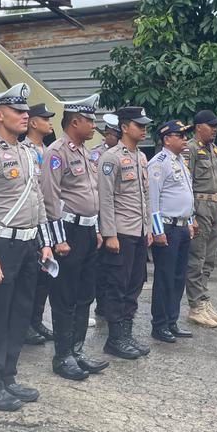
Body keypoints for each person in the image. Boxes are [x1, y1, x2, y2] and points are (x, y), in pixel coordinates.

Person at [0, 83, 54, 411]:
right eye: (18, 111)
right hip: (1, 245)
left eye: (26, 111)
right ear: (0, 115)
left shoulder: (28, 153)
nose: (25, 116)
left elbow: (38, 200)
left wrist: (45, 242)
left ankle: (8, 376)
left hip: (29, 244)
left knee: (20, 313)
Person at [40, 94, 109, 379]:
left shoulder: (84, 152)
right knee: (65, 296)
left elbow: (92, 195)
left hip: (88, 230)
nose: (94, 125)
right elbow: (50, 198)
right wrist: (58, 239)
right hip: (67, 232)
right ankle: (63, 356)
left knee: (84, 294)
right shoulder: (56, 152)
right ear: (75, 122)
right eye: (89, 120)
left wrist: (97, 230)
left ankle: (77, 351)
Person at [97, 107, 153, 358]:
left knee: (134, 284)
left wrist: (148, 228)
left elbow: (146, 196)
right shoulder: (111, 158)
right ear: (124, 127)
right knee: (117, 286)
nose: (144, 129)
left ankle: (127, 335)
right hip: (121, 232)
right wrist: (109, 234)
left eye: (144, 125)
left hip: (139, 231)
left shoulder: (141, 157)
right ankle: (115, 338)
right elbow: (105, 198)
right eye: (139, 125)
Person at [148, 120, 197, 343]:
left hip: (182, 226)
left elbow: (186, 194)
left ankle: (171, 321)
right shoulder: (159, 163)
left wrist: (190, 221)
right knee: (165, 277)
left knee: (178, 277)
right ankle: (159, 324)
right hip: (167, 227)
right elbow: (153, 199)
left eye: (186, 135)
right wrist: (158, 231)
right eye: (181, 135)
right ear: (167, 139)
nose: (185, 139)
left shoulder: (180, 161)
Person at [185, 109, 217, 328]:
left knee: (210, 258)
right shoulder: (190, 149)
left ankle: (203, 298)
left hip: (215, 206)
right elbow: (185, 184)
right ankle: (195, 306)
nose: (215, 129)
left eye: (216, 125)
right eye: (211, 125)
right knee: (197, 258)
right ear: (198, 127)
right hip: (199, 206)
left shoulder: (214, 149)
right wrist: (190, 215)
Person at [22, 103, 57, 347]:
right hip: (31, 219)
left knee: (44, 275)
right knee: (30, 277)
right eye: (45, 119)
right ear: (33, 123)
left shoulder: (48, 150)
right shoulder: (25, 150)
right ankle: (24, 324)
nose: (49, 122)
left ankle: (36, 320)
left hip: (48, 218)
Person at [90, 114, 121, 327]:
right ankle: (101, 304)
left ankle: (111, 302)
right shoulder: (97, 154)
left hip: (119, 217)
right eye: (111, 135)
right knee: (101, 264)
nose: (113, 138)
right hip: (100, 216)